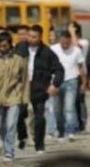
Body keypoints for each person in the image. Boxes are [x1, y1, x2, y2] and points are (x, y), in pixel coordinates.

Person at [0, 31, 29, 161]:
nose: (2, 49)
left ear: (10, 45)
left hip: (14, 96)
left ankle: (9, 151)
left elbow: (24, 79)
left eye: (5, 46)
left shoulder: (19, 59)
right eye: (0, 46)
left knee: (11, 125)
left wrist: (24, 98)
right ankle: (6, 143)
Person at [27, 25, 64, 154]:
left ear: (40, 37)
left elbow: (59, 70)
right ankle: (22, 136)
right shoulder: (21, 48)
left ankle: (39, 144)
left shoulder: (47, 52)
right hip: (22, 88)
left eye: (34, 37)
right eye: (29, 36)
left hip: (40, 89)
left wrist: (55, 84)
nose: (31, 39)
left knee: (39, 118)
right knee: (20, 114)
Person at [51, 31, 86, 141]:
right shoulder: (53, 49)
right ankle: (61, 132)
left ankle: (70, 131)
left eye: (67, 43)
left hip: (71, 81)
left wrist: (84, 83)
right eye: (63, 43)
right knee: (57, 109)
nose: (65, 45)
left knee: (69, 108)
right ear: (59, 40)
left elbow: (81, 67)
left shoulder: (76, 51)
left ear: (70, 41)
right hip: (56, 82)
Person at [70, 22, 90, 132]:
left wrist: (72, 32)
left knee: (80, 100)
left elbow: (77, 46)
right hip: (71, 74)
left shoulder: (84, 42)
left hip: (81, 74)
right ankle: (75, 123)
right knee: (72, 101)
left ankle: (82, 122)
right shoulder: (69, 42)